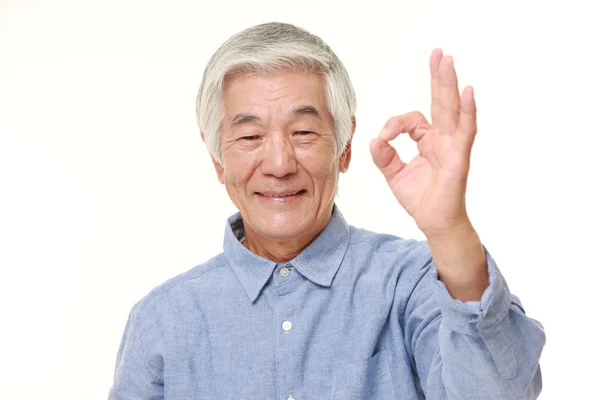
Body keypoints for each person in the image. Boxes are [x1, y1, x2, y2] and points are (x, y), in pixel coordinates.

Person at [108, 22, 545, 399]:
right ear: (217, 159)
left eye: (303, 131)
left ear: (345, 147)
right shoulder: (162, 320)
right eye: (249, 138)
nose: (279, 164)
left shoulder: (411, 283)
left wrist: (449, 229)